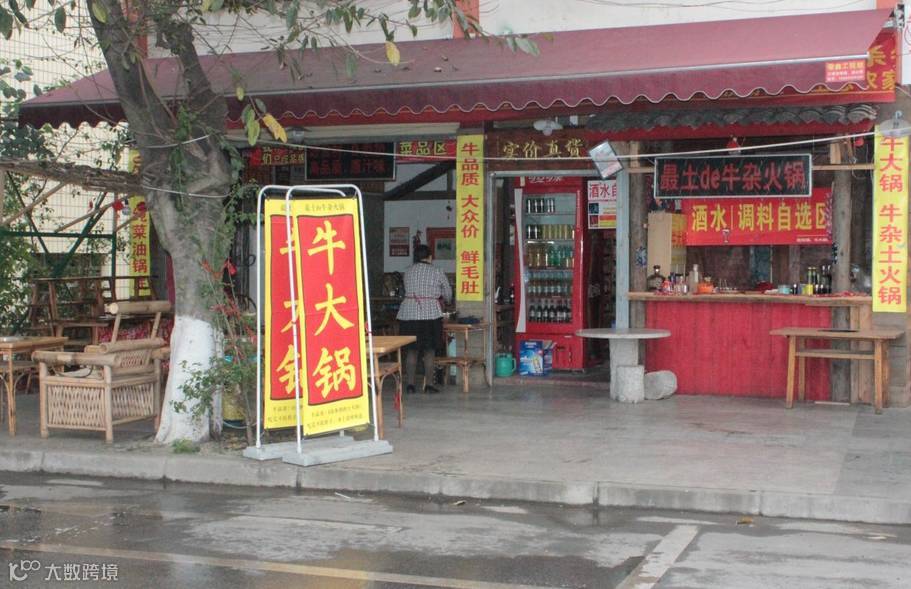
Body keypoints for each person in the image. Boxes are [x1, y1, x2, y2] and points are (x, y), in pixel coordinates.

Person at [396, 244, 452, 394]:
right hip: (430, 315)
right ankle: (429, 385)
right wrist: (444, 299)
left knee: (411, 351)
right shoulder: (437, 271)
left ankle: (410, 385)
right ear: (430, 257)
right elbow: (448, 294)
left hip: (408, 314)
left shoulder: (407, 271)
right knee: (429, 350)